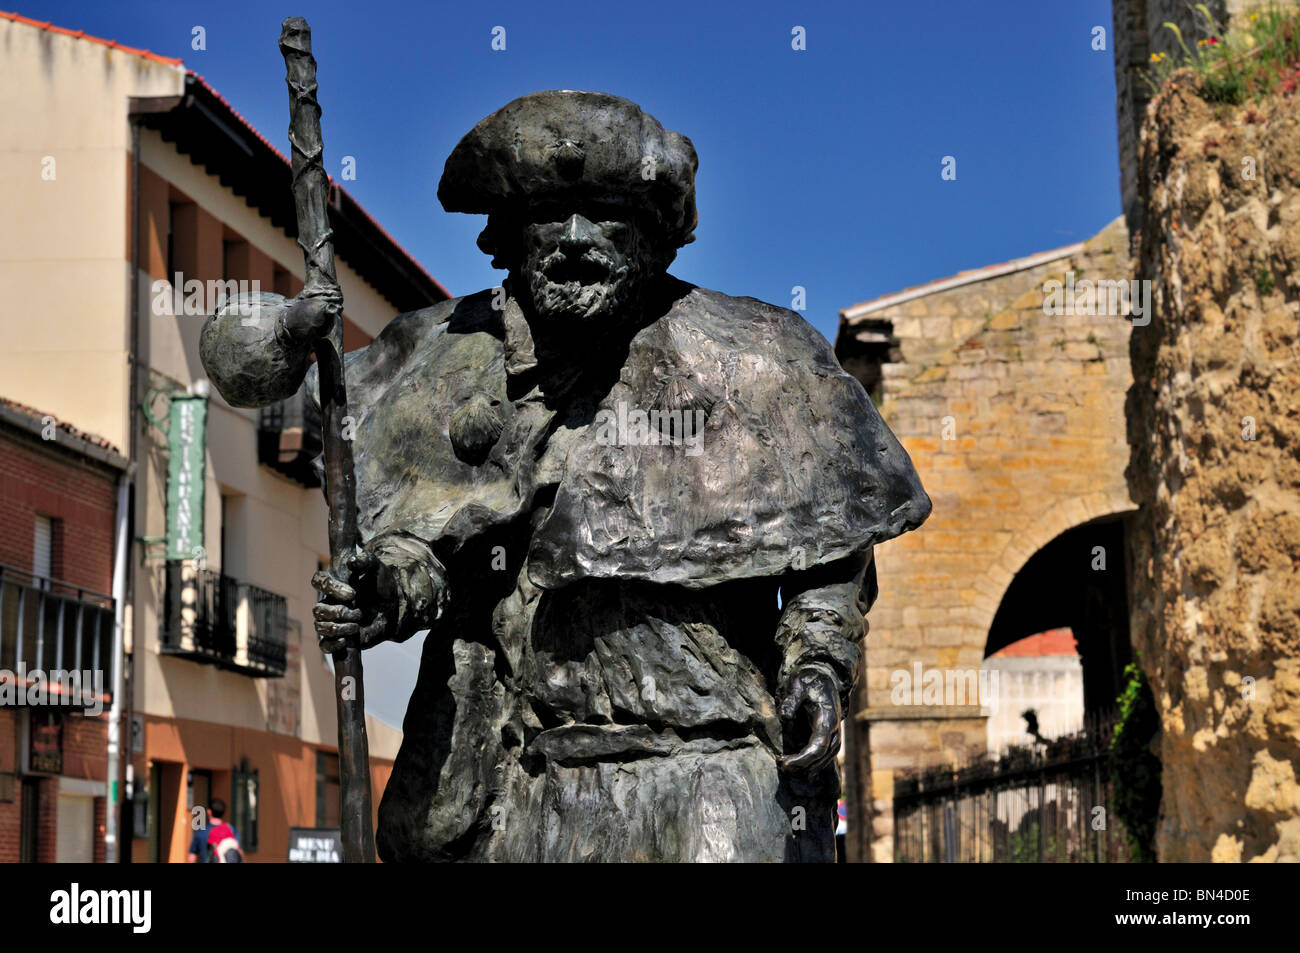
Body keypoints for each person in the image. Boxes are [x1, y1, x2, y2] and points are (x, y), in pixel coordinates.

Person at [201, 90, 930, 862]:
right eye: (552, 215)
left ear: (653, 235)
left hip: (715, 775)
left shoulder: (757, 357)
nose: (578, 239)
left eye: (606, 214)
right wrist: (380, 589)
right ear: (509, 234)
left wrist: (816, 661)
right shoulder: (444, 356)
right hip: (522, 782)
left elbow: (831, 552)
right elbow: (423, 550)